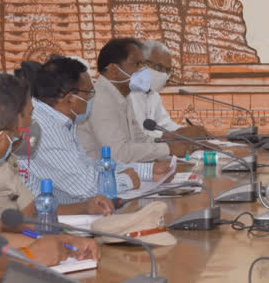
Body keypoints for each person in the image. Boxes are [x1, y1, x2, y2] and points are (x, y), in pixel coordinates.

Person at [0, 74, 114, 226]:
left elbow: (32, 212)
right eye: (30, 114)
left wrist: (84, 207)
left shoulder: (6, 160)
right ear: (13, 120)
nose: (33, 121)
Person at [15, 56, 172, 204]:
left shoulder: (60, 122)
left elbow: (90, 167)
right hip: (49, 218)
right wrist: (128, 180)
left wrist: (148, 171)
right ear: (70, 98)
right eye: (90, 92)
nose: (92, 98)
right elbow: (86, 187)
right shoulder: (45, 128)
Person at [77, 38, 191, 162]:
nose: (144, 70)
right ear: (114, 70)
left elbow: (140, 139)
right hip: (97, 176)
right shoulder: (99, 98)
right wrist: (168, 149)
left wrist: (173, 143)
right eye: (137, 64)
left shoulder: (123, 96)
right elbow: (119, 153)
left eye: (144, 64)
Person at [130, 40, 208, 140]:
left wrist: (189, 132)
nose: (163, 74)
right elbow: (138, 135)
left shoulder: (153, 94)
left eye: (167, 70)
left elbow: (165, 125)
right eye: (158, 67)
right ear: (142, 63)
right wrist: (178, 135)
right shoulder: (128, 93)